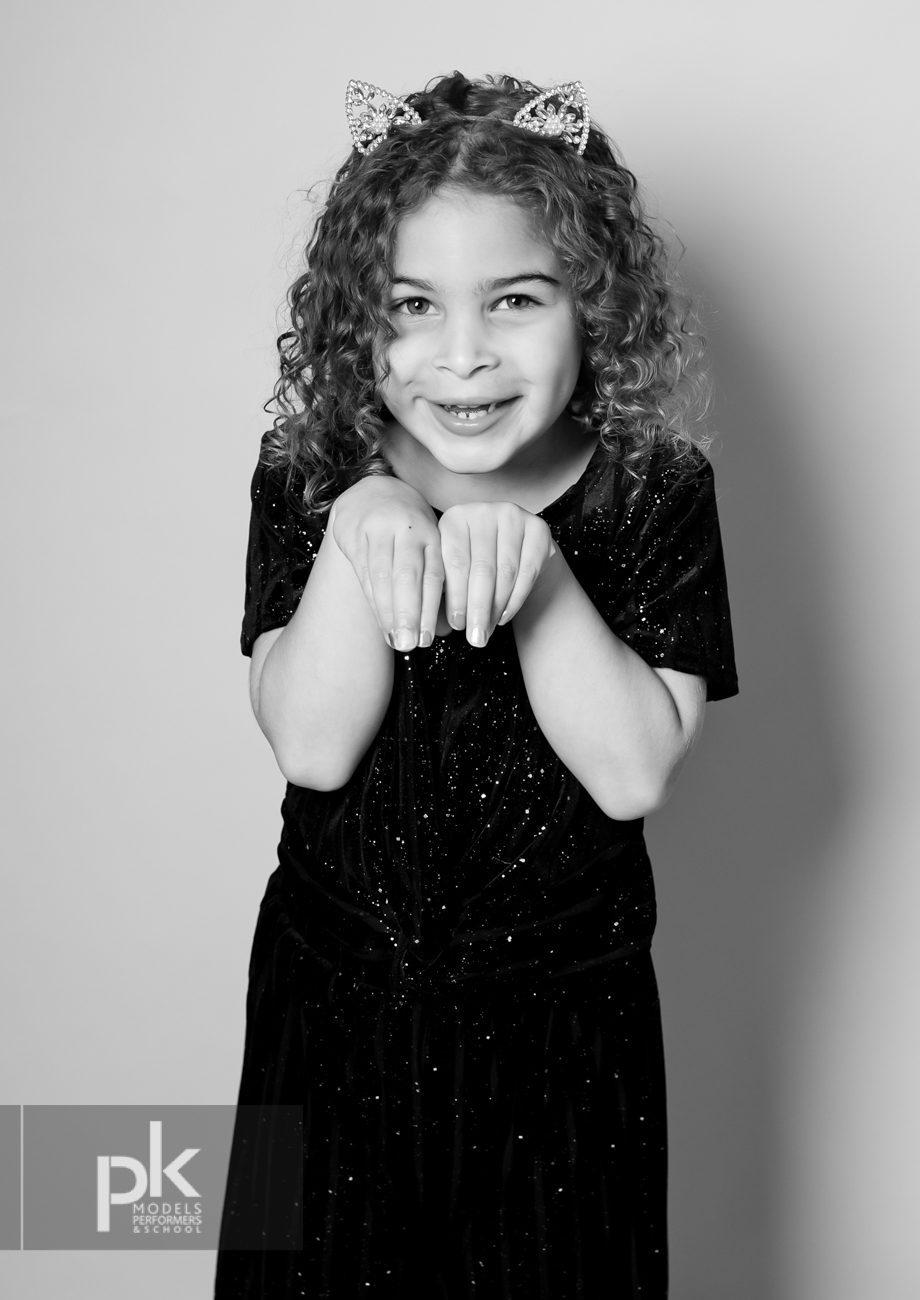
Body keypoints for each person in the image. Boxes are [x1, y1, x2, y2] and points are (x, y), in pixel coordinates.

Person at [214, 72, 737, 1299]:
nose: (461, 355)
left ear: (592, 306)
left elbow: (631, 769)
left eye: (514, 299)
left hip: (563, 1035)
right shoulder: (308, 476)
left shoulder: (655, 490)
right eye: (411, 305)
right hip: (330, 1014)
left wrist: (537, 571)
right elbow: (311, 746)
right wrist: (363, 519)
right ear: (359, 321)